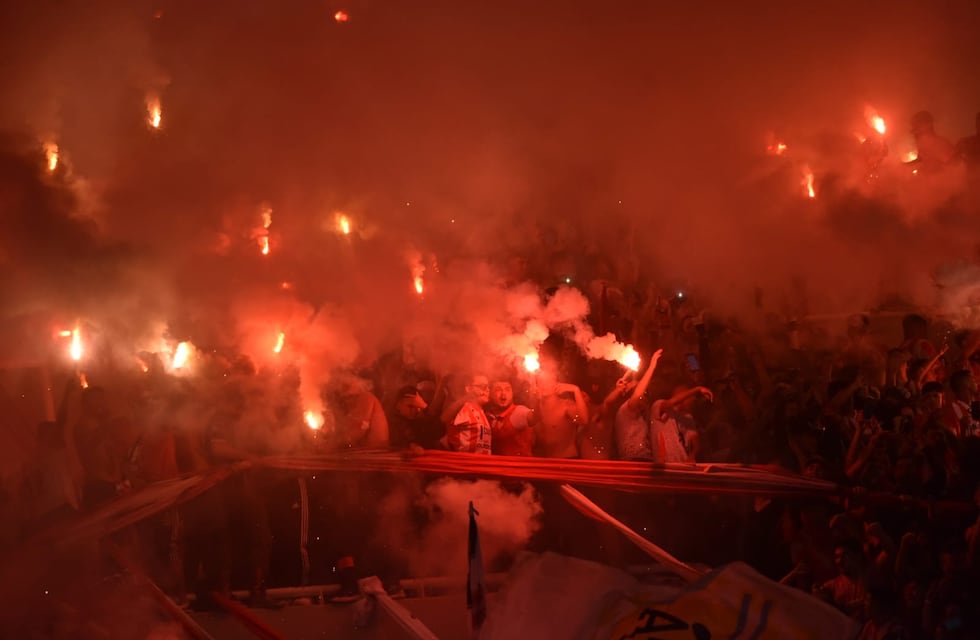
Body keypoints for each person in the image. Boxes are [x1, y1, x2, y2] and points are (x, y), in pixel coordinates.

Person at [613, 349, 663, 460]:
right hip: (632, 462)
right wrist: (652, 366)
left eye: (645, 392)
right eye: (638, 389)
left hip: (644, 461)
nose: (643, 395)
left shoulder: (643, 414)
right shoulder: (625, 410)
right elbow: (637, 396)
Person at [532, 369, 589, 458]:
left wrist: (575, 390)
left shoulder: (566, 405)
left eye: (548, 381)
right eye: (540, 381)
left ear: (557, 384)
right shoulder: (537, 407)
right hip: (545, 463)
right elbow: (531, 421)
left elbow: (584, 420)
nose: (544, 385)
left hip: (567, 461)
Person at [650, 384, 711, 463]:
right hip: (664, 464)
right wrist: (696, 390)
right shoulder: (658, 405)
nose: (693, 400)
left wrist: (692, 455)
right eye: (690, 396)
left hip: (682, 462)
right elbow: (670, 403)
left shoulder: (687, 417)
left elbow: (695, 441)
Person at [485, 379, 536, 457]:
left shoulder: (518, 412)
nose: (503, 394)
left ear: (512, 393)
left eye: (507, 389)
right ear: (491, 394)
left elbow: (535, 418)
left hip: (520, 464)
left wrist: (540, 399)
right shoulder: (487, 416)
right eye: (498, 390)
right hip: (496, 464)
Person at [443, 374, 492, 454]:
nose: (487, 390)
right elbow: (444, 418)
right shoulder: (462, 408)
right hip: (464, 460)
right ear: (468, 389)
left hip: (482, 461)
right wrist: (467, 396)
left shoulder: (483, 412)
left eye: (488, 386)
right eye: (483, 386)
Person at [386, 385, 442, 450]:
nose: (414, 411)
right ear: (398, 405)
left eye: (417, 406)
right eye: (410, 406)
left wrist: (425, 407)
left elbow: (438, 433)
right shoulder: (391, 422)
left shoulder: (419, 421)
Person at [941, 370, 979, 438]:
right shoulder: (951, 411)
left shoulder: (976, 406)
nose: (976, 382)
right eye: (973, 380)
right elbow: (951, 439)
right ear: (966, 384)